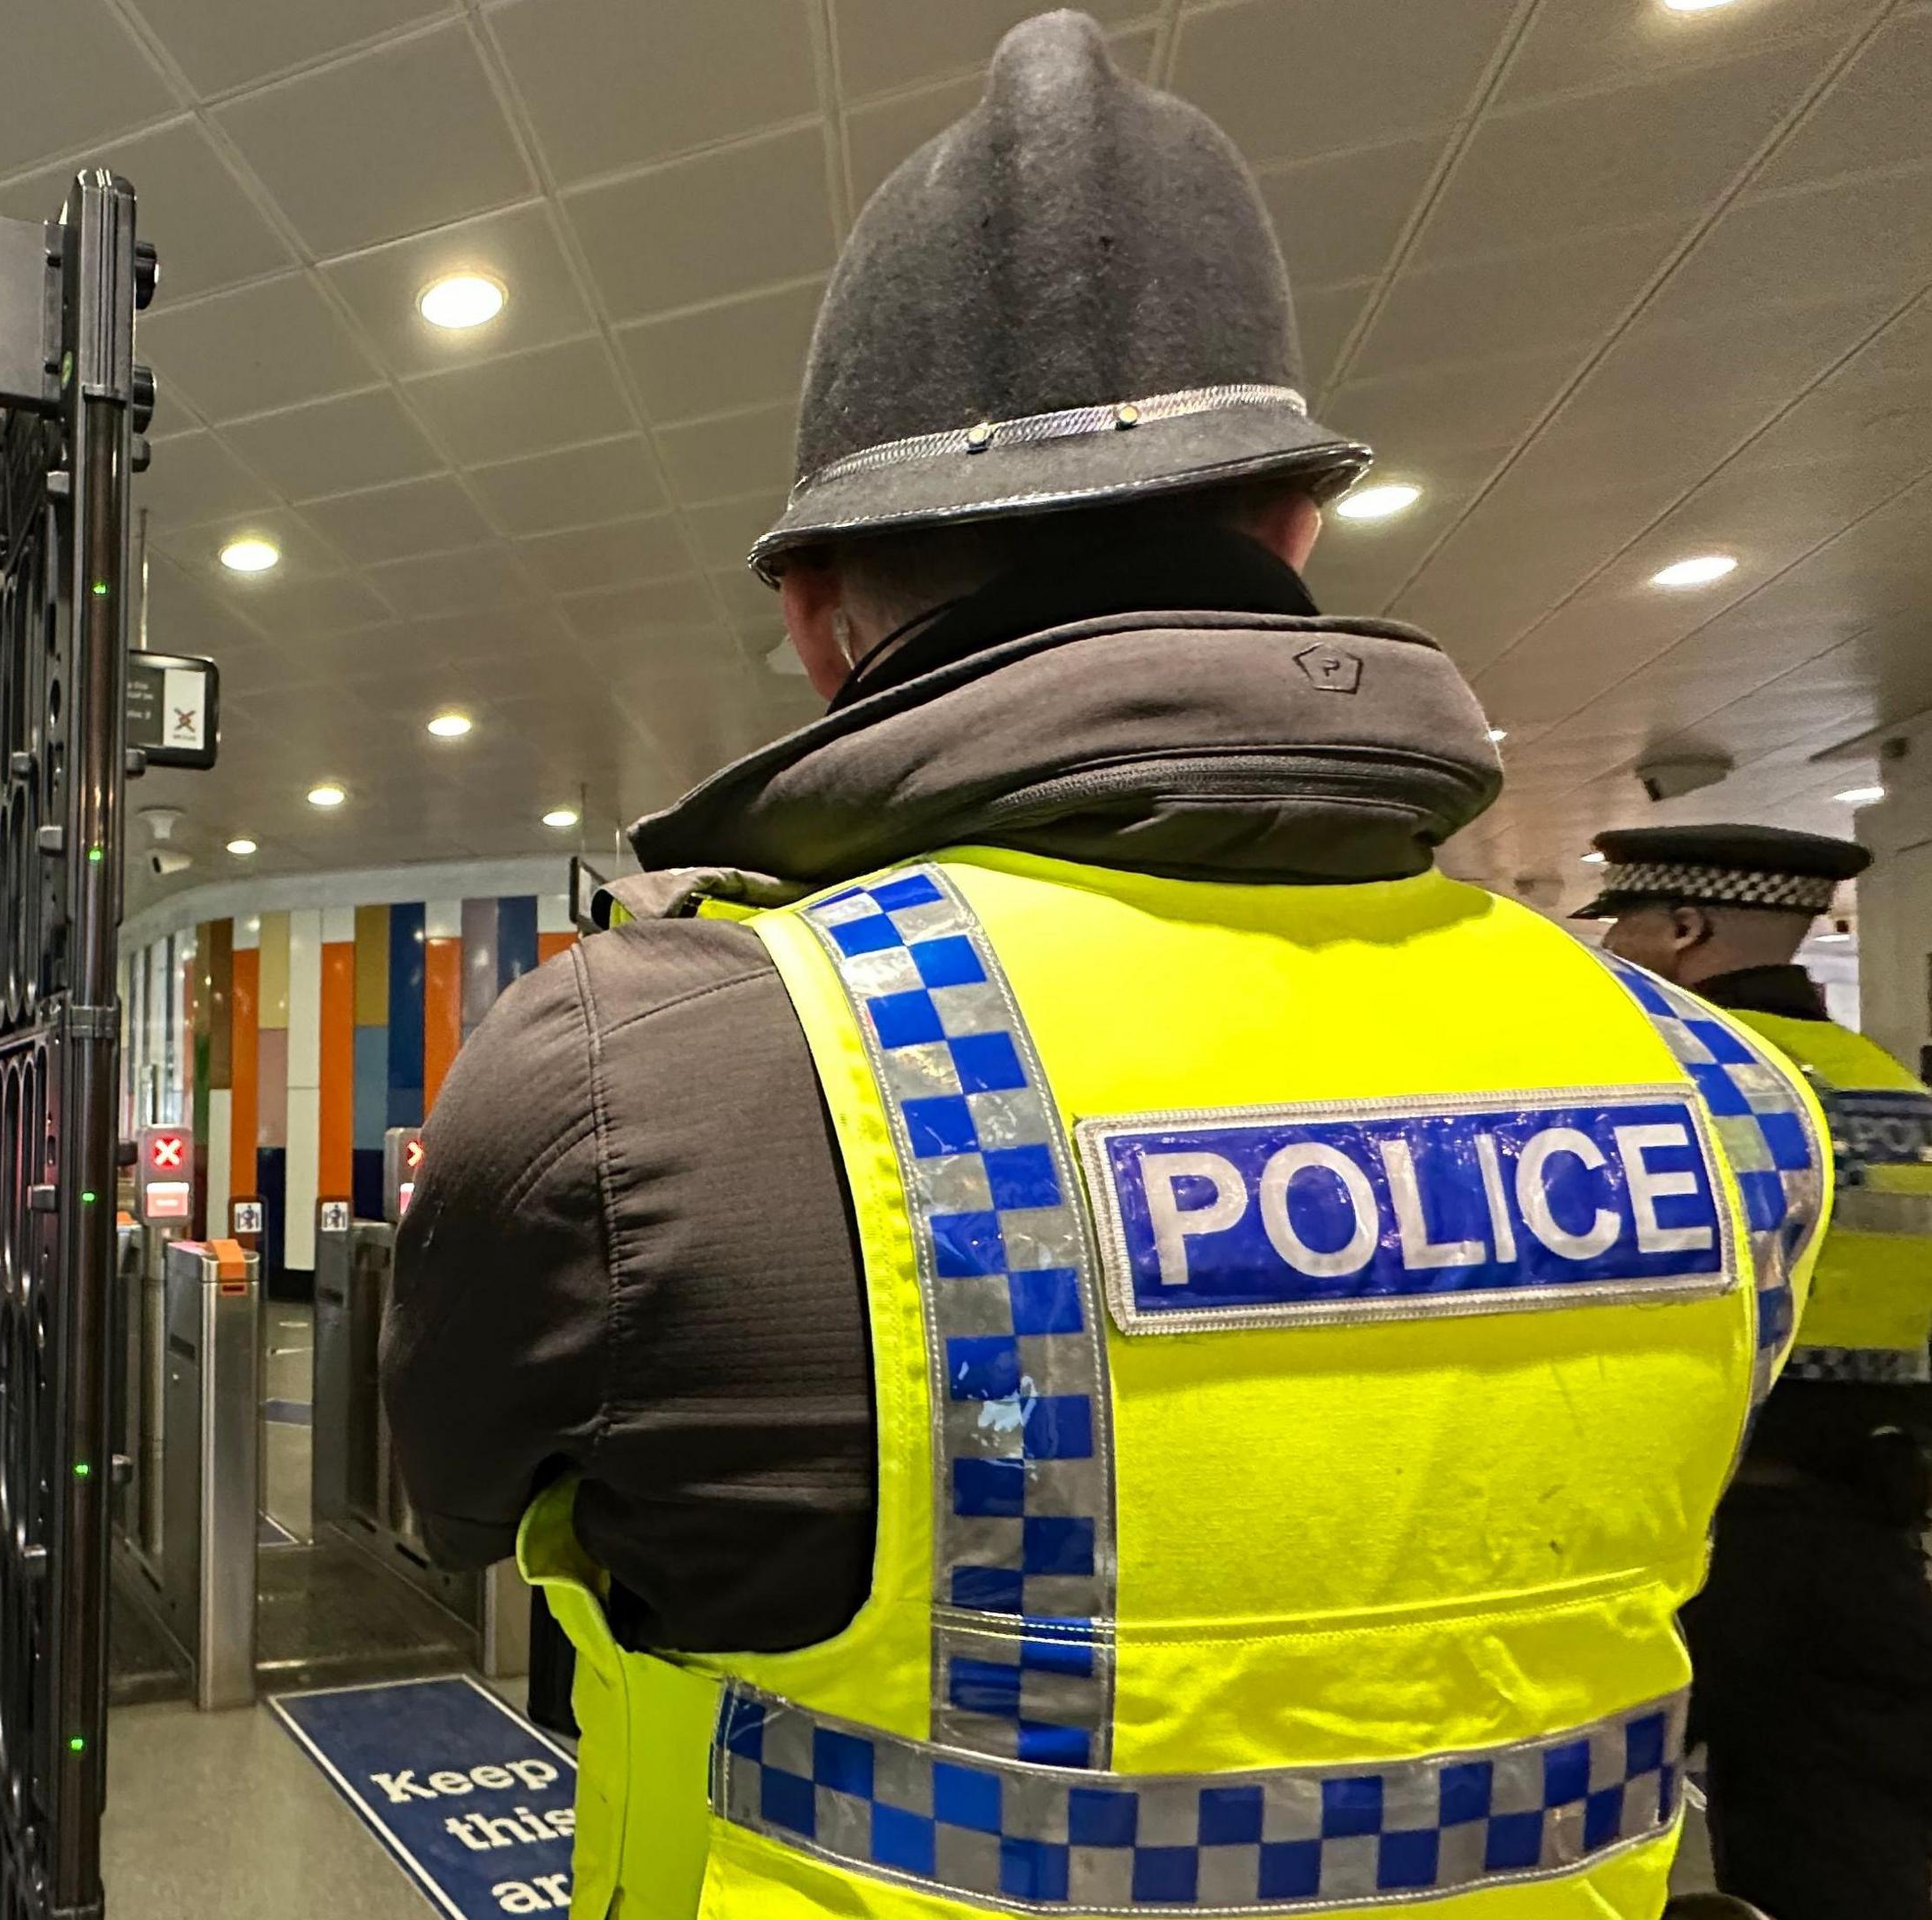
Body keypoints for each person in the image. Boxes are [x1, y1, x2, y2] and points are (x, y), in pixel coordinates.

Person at [381, 17, 1830, 1918]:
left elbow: (457, 1507)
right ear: (1298, 526)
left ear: (817, 617)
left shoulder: (652, 1080)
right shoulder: (1727, 1109)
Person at [1580, 825, 1932, 1919]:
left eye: (1628, 928)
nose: (1617, 950)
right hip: (1862, 1543)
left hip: (1664, 1549)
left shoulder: (1652, 1090)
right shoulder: (1904, 1100)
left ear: (1684, 932)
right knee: (1847, 1852)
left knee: (1598, 1851)